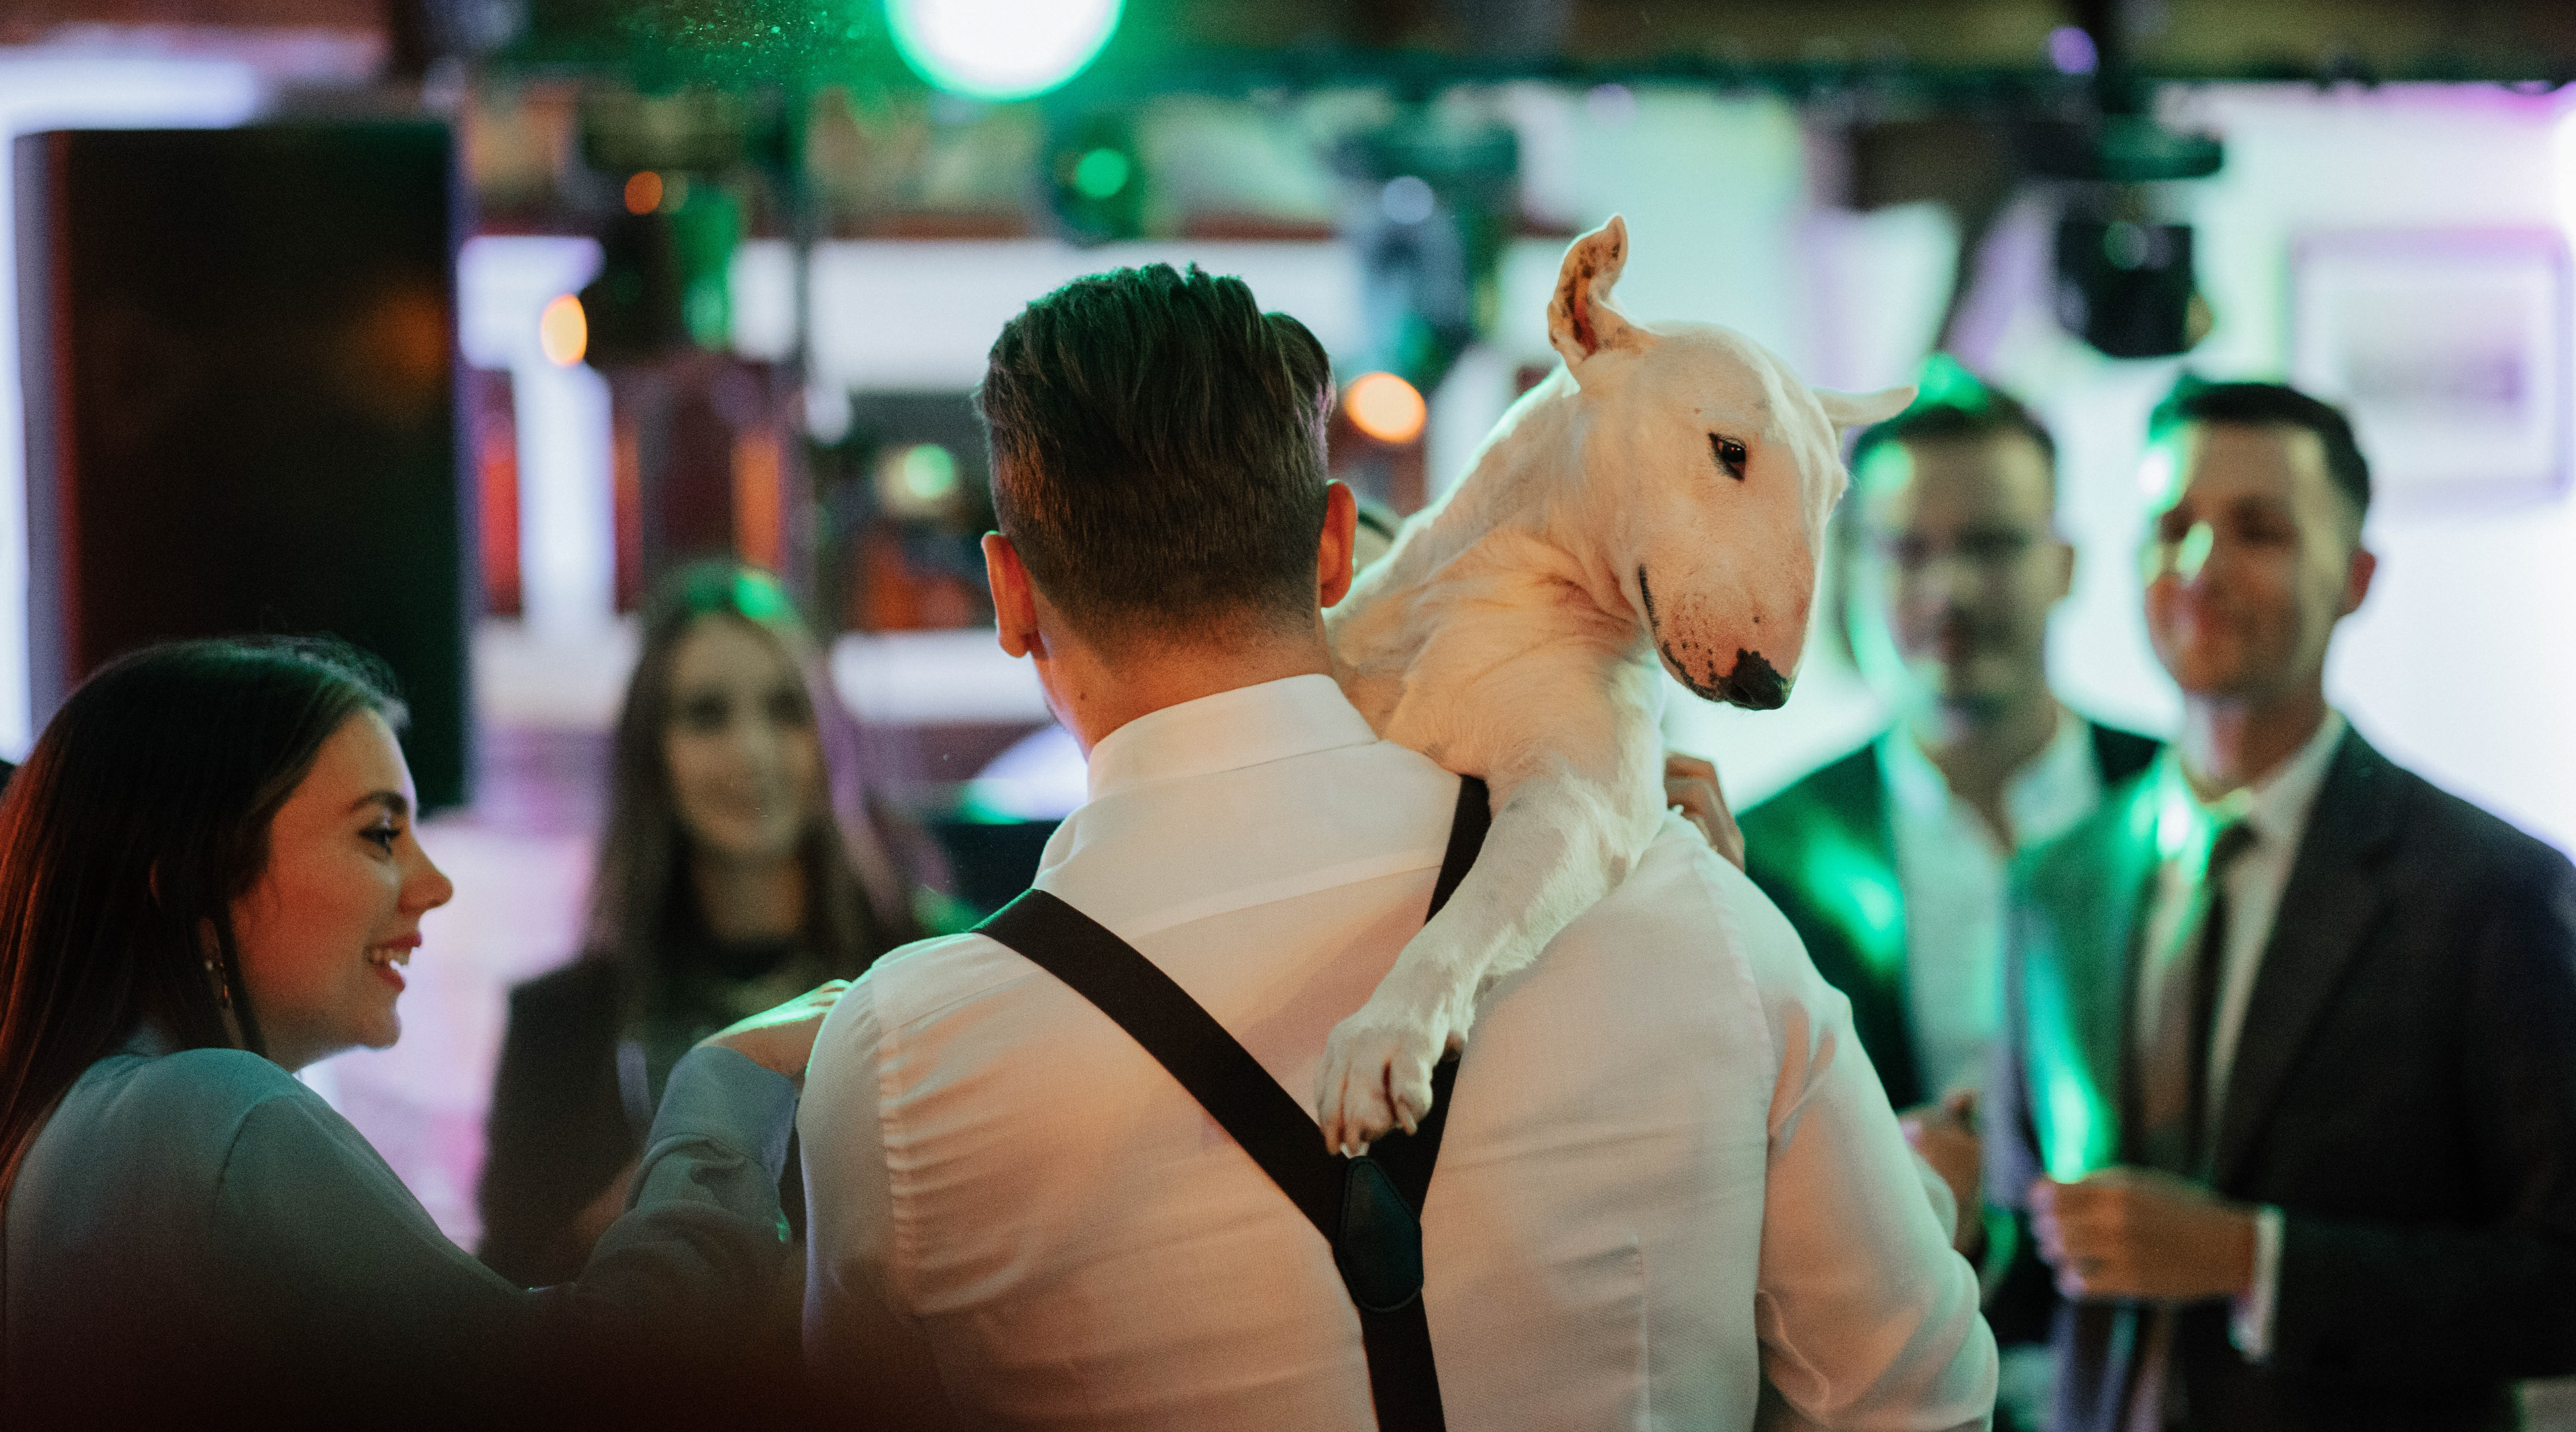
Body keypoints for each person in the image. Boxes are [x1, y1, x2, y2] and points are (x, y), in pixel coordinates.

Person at [798, 262, 1995, 1429]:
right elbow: (1920, 1398)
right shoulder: (1697, 913)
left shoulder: (898, 1066)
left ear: (1011, 596)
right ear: (1333, 545)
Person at [0, 637, 839, 1431]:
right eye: (380, 834)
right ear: (198, 878)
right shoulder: (210, 1112)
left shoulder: (73, 1133)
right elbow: (595, 1396)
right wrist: (724, 1084)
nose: (434, 884)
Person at [1988, 378, 2576, 1432]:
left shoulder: (2491, 890)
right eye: (2172, 526)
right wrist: (1948, 1214)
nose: (2201, 564)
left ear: (2355, 577)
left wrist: (2254, 1261)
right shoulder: (2055, 883)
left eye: (2257, 529)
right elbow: (2039, 1263)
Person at [1741, 362, 2157, 1422]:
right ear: (1851, 574)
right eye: (1909, 550)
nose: (1950, 590)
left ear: (2065, 564)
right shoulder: (1767, 852)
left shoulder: (2174, 806)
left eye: (1993, 544)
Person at [480, 562, 924, 1288]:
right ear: (651, 754)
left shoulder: (936, 970)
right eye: (708, 715)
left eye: (786, 710)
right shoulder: (558, 1026)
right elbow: (507, 1305)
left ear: (831, 736)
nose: (752, 751)